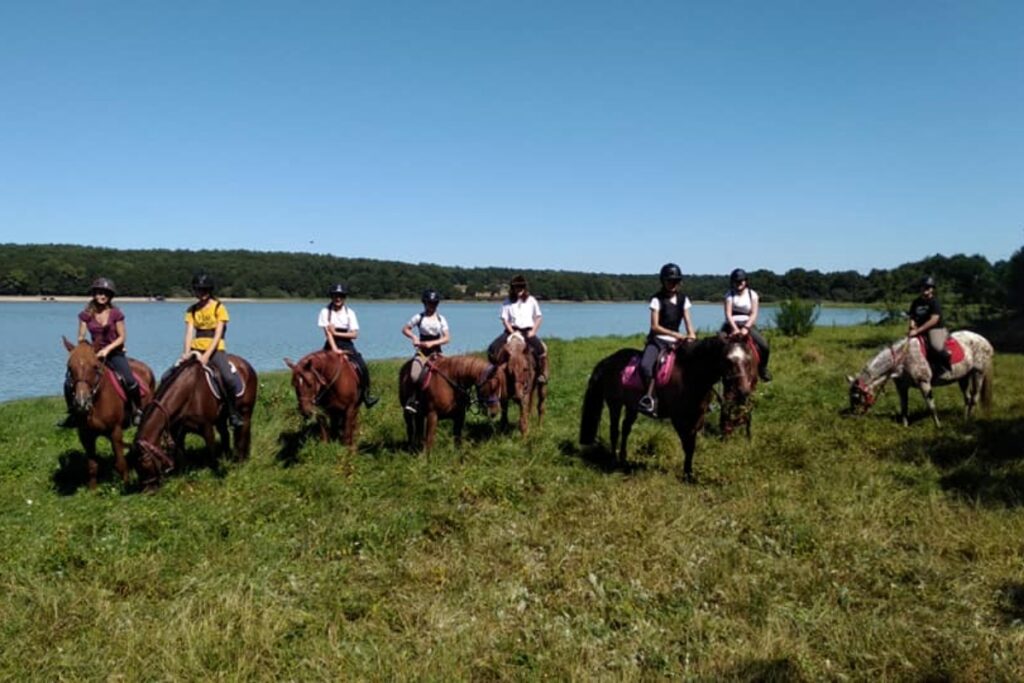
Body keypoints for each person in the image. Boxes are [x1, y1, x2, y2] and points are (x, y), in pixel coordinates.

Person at [60, 277, 143, 426]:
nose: (102, 296)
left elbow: (122, 337)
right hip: (95, 354)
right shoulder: (85, 314)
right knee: (69, 381)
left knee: (130, 381)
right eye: (99, 293)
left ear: (110, 296)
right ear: (94, 294)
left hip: (114, 352)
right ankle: (72, 412)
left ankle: (136, 409)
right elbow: (81, 336)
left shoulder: (116, 313)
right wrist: (83, 348)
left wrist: (107, 349)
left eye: (105, 293)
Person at [180, 273, 244, 427]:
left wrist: (207, 355)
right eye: (198, 290)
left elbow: (218, 334)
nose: (200, 294)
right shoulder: (192, 310)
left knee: (228, 378)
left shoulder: (219, 308)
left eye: (204, 290)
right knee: (170, 375)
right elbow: (189, 333)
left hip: (215, 349)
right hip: (196, 349)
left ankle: (233, 411)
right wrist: (186, 352)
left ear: (209, 291)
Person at [637, 263, 696, 417]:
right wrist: (676, 335)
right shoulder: (657, 299)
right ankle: (648, 397)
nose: (672, 284)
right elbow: (655, 326)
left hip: (677, 341)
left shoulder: (684, 299)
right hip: (657, 340)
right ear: (663, 281)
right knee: (645, 365)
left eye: (675, 281)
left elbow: (688, 322)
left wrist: (692, 336)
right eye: (669, 281)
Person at [318, 283, 379, 408]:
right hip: (330, 344)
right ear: (331, 297)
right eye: (335, 296)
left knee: (362, 366)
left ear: (344, 297)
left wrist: (336, 332)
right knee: (317, 369)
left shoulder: (350, 313)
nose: (338, 298)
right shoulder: (325, 311)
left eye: (340, 296)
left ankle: (366, 395)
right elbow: (327, 334)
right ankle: (316, 398)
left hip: (346, 344)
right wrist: (335, 349)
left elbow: (354, 334)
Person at [486, 274, 548, 383]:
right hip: (511, 331)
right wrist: (512, 332)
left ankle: (541, 374)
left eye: (521, 287)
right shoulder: (507, 301)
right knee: (492, 348)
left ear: (524, 288)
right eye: (516, 287)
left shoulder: (531, 300)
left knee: (541, 350)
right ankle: (494, 373)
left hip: (527, 331)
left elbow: (538, 317)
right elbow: (505, 320)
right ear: (512, 288)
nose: (518, 289)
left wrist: (533, 331)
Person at [401, 288, 451, 413]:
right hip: (422, 353)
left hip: (437, 352)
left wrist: (432, 343)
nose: (432, 306)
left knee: (450, 373)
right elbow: (405, 329)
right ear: (424, 303)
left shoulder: (441, 319)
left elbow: (447, 338)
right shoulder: (419, 317)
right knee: (414, 374)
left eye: (434, 303)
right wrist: (414, 337)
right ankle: (413, 399)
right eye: (429, 303)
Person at [722, 268, 772, 382]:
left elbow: (754, 313)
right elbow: (728, 314)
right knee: (718, 344)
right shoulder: (729, 295)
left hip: (747, 325)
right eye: (736, 281)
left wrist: (746, 328)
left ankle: (762, 369)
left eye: (741, 281)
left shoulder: (752, 295)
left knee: (764, 346)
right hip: (731, 325)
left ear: (746, 281)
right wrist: (734, 329)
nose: (739, 283)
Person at [908, 275, 951, 370]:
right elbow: (912, 316)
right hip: (918, 329)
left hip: (935, 329)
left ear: (932, 289)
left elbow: (934, 320)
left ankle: (946, 363)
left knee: (935, 346)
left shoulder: (934, 302)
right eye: (923, 287)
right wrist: (912, 326)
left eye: (928, 287)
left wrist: (918, 330)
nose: (925, 289)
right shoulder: (916, 302)